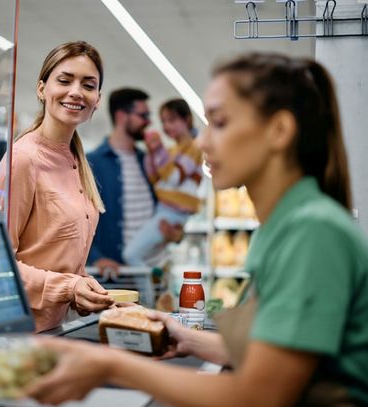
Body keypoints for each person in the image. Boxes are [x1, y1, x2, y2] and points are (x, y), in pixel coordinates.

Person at [25, 53, 368, 405]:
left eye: (219, 123)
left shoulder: (311, 232)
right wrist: (186, 337)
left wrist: (110, 366)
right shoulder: (285, 226)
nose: (202, 142)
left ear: (278, 131)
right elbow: (270, 354)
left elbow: (260, 395)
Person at [0, 41, 114, 333]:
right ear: (42, 89)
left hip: (55, 332)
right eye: (64, 80)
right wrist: (70, 287)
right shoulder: (23, 159)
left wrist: (88, 293)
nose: (75, 92)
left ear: (97, 98)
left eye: (88, 84)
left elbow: (56, 258)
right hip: (18, 335)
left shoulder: (76, 161)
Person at [87, 88, 181, 274]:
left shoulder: (148, 160)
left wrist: (176, 234)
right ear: (122, 116)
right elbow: (76, 223)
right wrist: (95, 258)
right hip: (118, 279)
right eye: (143, 115)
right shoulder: (92, 163)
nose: (148, 122)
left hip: (155, 273)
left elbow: (168, 207)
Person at [123, 98, 203, 266]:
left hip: (173, 212)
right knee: (142, 255)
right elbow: (155, 179)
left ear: (187, 119)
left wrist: (159, 151)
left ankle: (148, 291)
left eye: (172, 120)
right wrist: (153, 154)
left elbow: (173, 178)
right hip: (165, 210)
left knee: (131, 255)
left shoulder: (194, 149)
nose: (167, 126)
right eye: (164, 122)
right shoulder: (172, 151)